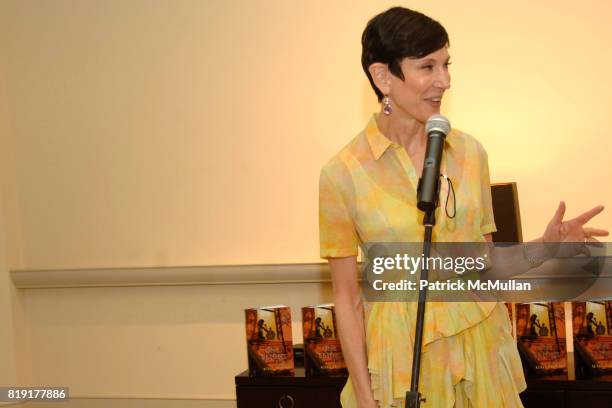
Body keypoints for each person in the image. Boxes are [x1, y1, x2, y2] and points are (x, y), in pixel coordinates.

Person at [318, 7, 608, 408]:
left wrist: (546, 245)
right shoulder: (342, 174)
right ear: (383, 76)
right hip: (403, 356)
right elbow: (347, 300)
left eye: (446, 64)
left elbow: (485, 266)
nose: (445, 81)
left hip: (480, 349)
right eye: (428, 66)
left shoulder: (470, 154)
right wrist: (366, 400)